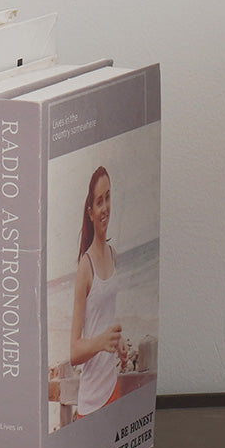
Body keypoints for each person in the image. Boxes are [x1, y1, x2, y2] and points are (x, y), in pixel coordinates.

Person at [70, 166, 126, 417]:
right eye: (99, 201)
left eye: (108, 197)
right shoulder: (85, 266)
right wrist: (101, 342)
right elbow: (74, 352)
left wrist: (117, 341)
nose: (105, 208)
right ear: (90, 212)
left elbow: (104, 318)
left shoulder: (114, 256)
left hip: (113, 388)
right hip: (91, 401)